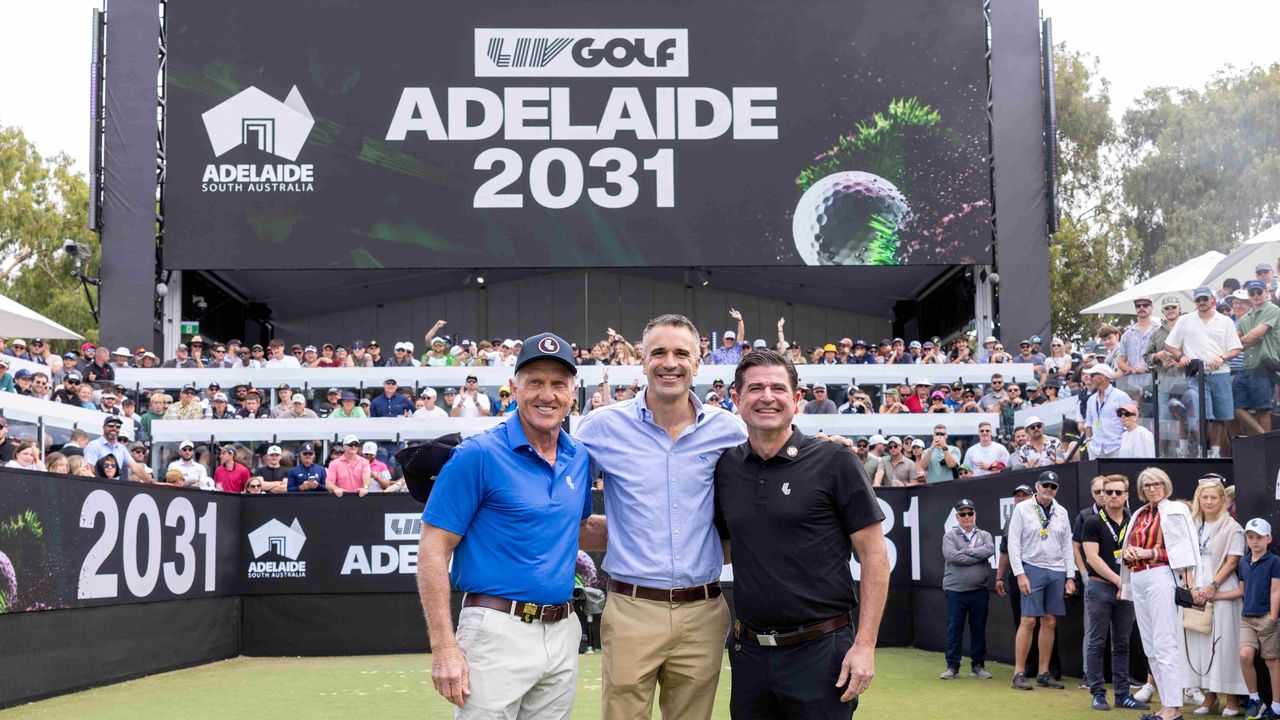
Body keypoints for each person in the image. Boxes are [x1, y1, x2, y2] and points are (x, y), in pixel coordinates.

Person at [574, 314, 748, 720]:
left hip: (704, 609)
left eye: (681, 353)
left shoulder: (730, 431)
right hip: (632, 606)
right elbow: (562, 501)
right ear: (642, 359)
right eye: (659, 352)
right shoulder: (600, 428)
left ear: (698, 362)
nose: (670, 362)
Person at [419, 332, 597, 716]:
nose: (546, 395)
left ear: (573, 392)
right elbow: (434, 548)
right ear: (514, 388)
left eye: (557, 384)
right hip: (494, 629)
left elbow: (578, 526)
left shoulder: (579, 456)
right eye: (534, 382)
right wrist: (444, 647)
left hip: (563, 629)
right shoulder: (477, 454)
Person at [714, 349, 887, 717]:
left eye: (778, 388)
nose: (767, 397)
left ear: (795, 399)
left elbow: (874, 555)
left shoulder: (836, 461)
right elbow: (726, 549)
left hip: (822, 652)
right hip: (749, 654)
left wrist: (865, 645)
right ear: (736, 398)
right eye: (755, 388)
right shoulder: (726, 468)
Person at [1120, 467, 1198, 720]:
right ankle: (1167, 705)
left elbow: (1185, 551)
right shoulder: (1139, 514)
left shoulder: (1176, 510)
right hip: (1139, 576)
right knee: (1151, 646)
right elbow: (1128, 547)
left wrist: (1149, 553)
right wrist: (1129, 553)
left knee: (1165, 643)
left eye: (1156, 484)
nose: (1152, 489)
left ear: (1165, 485)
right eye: (1147, 485)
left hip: (1162, 575)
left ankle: (1173, 708)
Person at [1080, 475, 1149, 710]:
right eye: (1107, 492)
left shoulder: (1134, 520)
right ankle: (1097, 693)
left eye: (1118, 492)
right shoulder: (1092, 522)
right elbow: (1092, 558)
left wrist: (1126, 583)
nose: (1112, 497)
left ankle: (1122, 695)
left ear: (1127, 496)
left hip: (1127, 588)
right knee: (1097, 642)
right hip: (1101, 587)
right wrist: (1120, 581)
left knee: (1122, 643)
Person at [1007, 470, 1076, 691]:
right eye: (1045, 485)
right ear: (1037, 486)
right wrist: (1020, 573)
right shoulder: (1022, 508)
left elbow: (1067, 544)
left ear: (1057, 489)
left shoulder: (1061, 512)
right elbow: (1013, 543)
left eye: (1053, 486)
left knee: (1050, 621)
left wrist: (1070, 576)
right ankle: (1019, 672)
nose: (1048, 489)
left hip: (1056, 570)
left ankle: (1043, 673)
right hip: (1032, 568)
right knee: (1028, 620)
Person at [1183, 477, 1246, 715]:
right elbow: (1185, 557)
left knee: (1224, 643)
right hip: (1196, 590)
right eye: (1205, 497)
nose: (1209, 502)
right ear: (1199, 498)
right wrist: (1192, 587)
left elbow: (1232, 561)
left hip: (1220, 588)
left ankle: (1232, 699)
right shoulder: (1192, 524)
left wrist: (1212, 585)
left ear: (1222, 500)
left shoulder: (1233, 527)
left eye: (1214, 497)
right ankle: (1209, 698)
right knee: (1201, 644)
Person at [1164, 286, 1243, 458]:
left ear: (1212, 300)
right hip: (1196, 374)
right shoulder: (1185, 320)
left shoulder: (1225, 321)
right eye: (1198, 300)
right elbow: (1169, 344)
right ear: (1195, 302)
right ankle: (1202, 450)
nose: (1202, 303)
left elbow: (1236, 348)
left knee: (1221, 416)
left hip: (1220, 373)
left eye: (1204, 299)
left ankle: (1214, 453)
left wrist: (1222, 358)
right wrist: (1181, 355)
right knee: (1201, 416)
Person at [940, 499, 995, 680]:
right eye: (962, 514)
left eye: (969, 513)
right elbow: (952, 556)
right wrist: (976, 554)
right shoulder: (950, 536)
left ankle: (978, 665)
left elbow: (989, 549)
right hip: (955, 590)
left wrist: (966, 552)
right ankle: (952, 666)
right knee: (954, 628)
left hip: (979, 590)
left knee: (978, 628)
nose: (967, 517)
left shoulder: (984, 535)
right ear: (957, 517)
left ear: (975, 515)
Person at [1237, 518, 1280, 720]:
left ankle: (1277, 707)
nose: (1254, 541)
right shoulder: (1243, 563)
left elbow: (1276, 590)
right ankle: (1255, 699)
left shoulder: (1274, 561)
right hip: (1247, 618)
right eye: (1250, 537)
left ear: (1268, 539)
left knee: (1272, 661)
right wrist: (1210, 595)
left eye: (1259, 537)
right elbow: (1241, 590)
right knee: (1245, 655)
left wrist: (1272, 616)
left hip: (1266, 618)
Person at [1235, 279, 1280, 436]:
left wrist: (1242, 342)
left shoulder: (1273, 309)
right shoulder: (1245, 318)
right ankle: (1262, 435)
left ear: (1266, 293)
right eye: (1252, 293)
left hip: (1265, 366)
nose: (1255, 295)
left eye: (1259, 292)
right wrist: (1244, 341)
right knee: (1236, 406)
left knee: (1262, 409)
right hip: (1246, 365)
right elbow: (1242, 339)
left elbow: (1255, 334)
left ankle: (1265, 444)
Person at [1082, 364, 1127, 459]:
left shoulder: (1121, 396)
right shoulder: (1091, 400)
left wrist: (1124, 444)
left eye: (1093, 375)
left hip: (1116, 448)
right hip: (1095, 449)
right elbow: (1088, 423)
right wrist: (1089, 441)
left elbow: (1129, 421)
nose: (1090, 378)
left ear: (1103, 377)